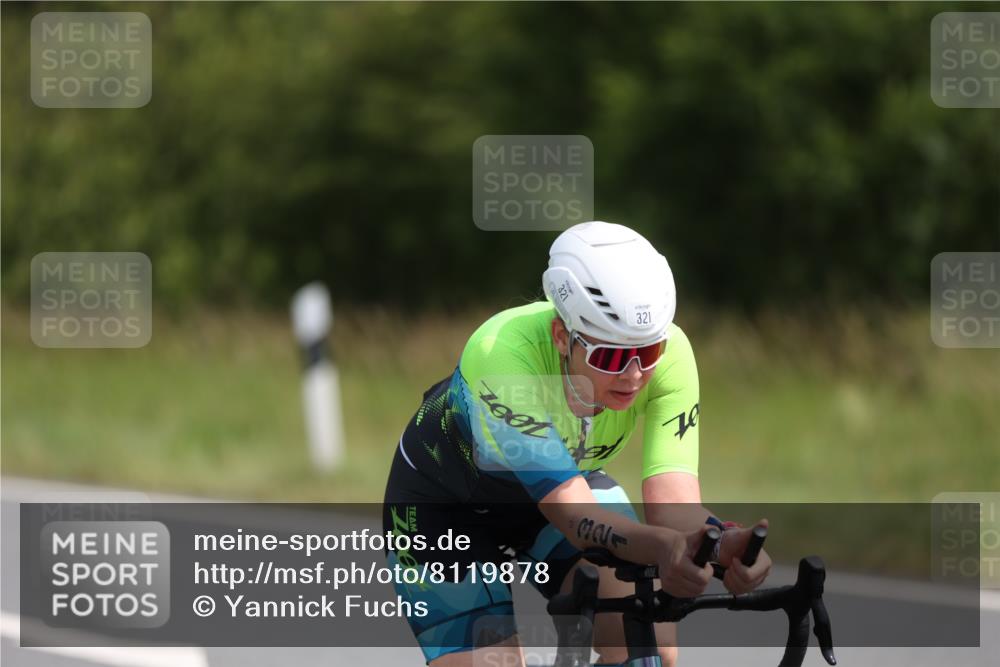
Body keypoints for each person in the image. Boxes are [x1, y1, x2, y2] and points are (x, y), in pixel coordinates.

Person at [383, 221, 771, 666]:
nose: (632, 375)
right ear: (562, 337)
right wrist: (666, 547)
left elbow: (674, 508)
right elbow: (575, 516)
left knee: (650, 650)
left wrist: (720, 545)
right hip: (447, 511)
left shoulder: (672, 355)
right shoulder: (503, 355)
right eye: (609, 356)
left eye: (647, 353)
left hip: (567, 490)